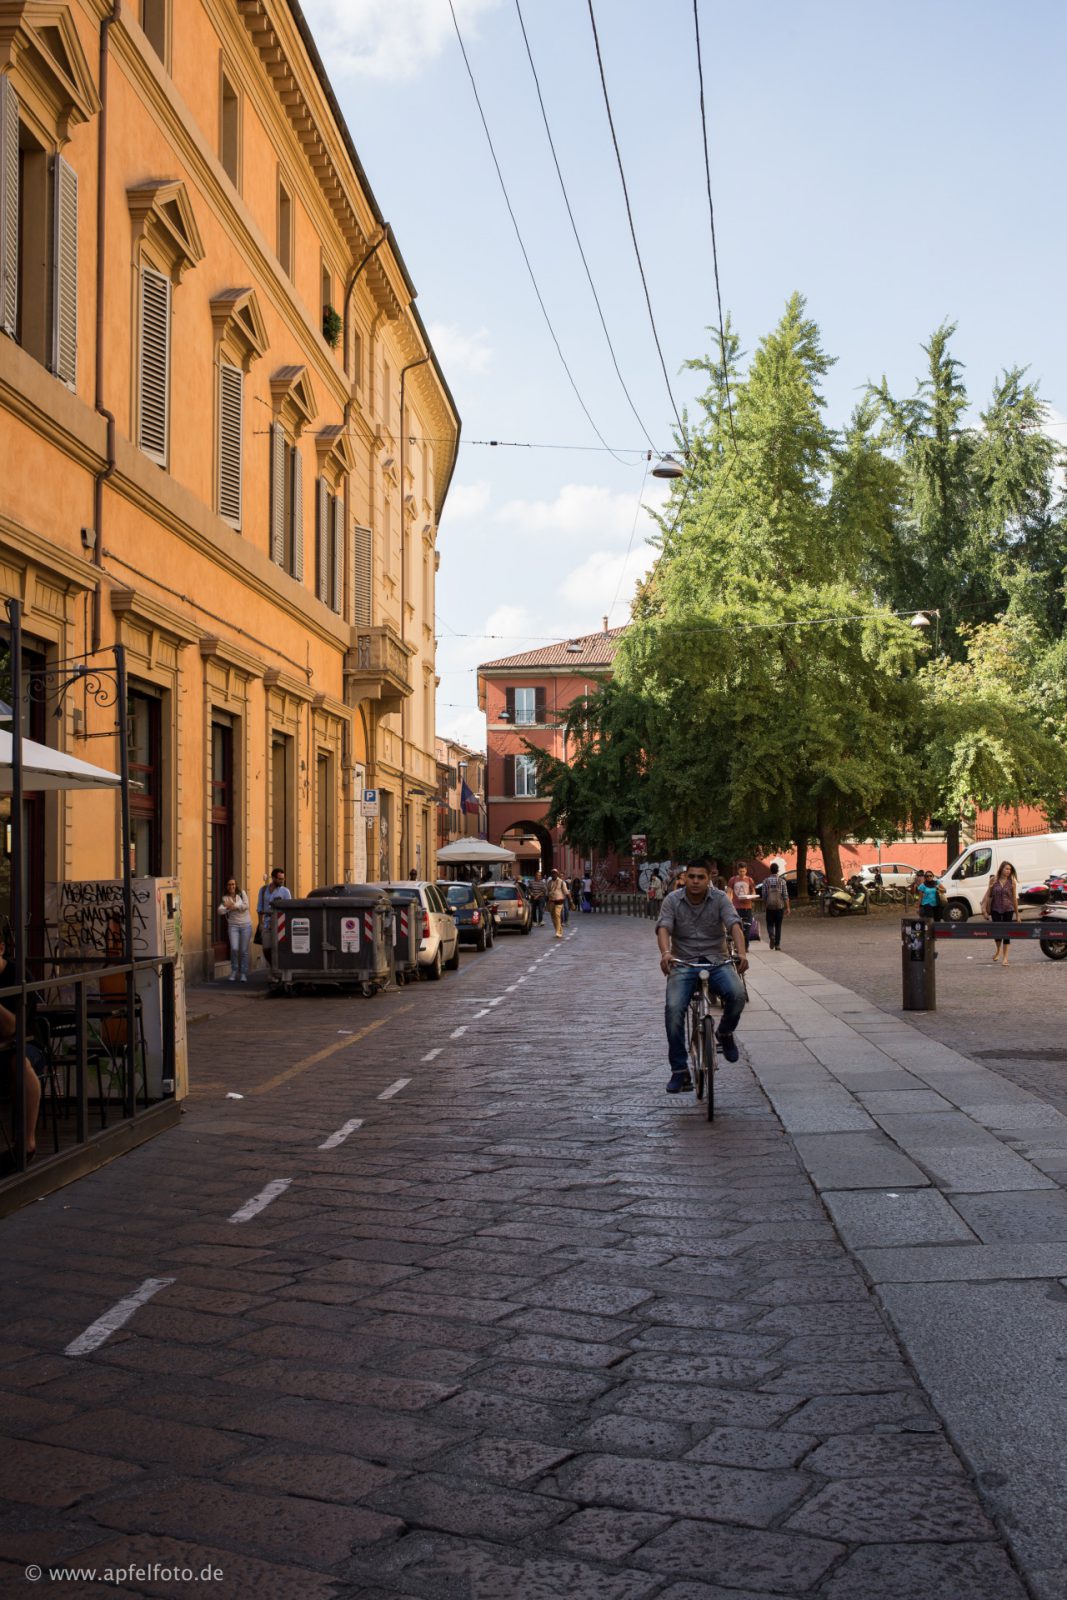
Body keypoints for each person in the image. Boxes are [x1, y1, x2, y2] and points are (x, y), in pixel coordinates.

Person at [656, 858, 749, 1093]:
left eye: (701, 877)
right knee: (674, 1009)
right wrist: (666, 953)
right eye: (692, 876)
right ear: (685, 877)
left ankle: (725, 1033)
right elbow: (664, 927)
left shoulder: (719, 898)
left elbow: (734, 924)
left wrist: (741, 953)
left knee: (737, 994)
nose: (695, 881)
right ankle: (679, 1071)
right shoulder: (672, 900)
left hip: (716, 960)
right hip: (683, 961)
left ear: (709, 879)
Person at [0, 922, 42, 1160]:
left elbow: (13, 1027)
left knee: (20, 1063)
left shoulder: (18, 975)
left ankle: (27, 1142)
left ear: (1, 948)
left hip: (26, 1044)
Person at [982, 861, 1019, 966]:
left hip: (1008, 909)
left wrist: (1017, 914)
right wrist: (984, 910)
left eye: (1010, 869)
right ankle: (998, 950)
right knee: (997, 933)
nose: (1008, 871)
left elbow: (1014, 899)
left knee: (1007, 933)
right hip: (995, 909)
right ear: (1001, 869)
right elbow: (988, 895)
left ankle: (1005, 958)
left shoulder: (1012, 882)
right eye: (1006, 869)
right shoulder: (993, 880)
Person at [218, 877, 253, 982]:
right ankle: (234, 970)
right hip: (233, 926)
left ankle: (243, 973)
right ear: (227, 886)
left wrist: (234, 906)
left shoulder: (241, 894)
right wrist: (228, 908)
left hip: (246, 925)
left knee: (243, 951)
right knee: (234, 948)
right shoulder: (225, 898)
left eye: (233, 884)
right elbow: (220, 911)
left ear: (236, 885)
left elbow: (246, 905)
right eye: (229, 884)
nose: (231, 886)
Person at [757, 863, 790, 950]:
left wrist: (765, 905)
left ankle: (771, 934)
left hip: (770, 907)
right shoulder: (782, 881)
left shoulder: (765, 881)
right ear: (778, 870)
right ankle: (777, 944)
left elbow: (764, 895)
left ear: (770, 870)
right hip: (779, 907)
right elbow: (785, 895)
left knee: (769, 924)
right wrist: (788, 907)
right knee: (778, 926)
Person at [256, 867, 291, 949]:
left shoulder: (285, 891)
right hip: (266, 924)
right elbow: (259, 908)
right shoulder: (263, 889)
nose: (282, 881)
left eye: (283, 879)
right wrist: (260, 923)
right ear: (273, 878)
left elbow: (289, 909)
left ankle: (276, 962)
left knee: (279, 948)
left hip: (280, 923)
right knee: (266, 948)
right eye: (280, 879)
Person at [728, 861, 756, 942]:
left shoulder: (750, 880)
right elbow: (729, 892)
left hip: (747, 907)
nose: (742, 873)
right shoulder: (733, 880)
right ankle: (738, 946)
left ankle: (746, 946)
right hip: (736, 907)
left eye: (743, 871)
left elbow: (753, 891)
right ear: (738, 870)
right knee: (737, 928)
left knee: (747, 928)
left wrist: (752, 896)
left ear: (746, 870)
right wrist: (729, 903)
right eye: (740, 871)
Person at [545, 869, 572, 938]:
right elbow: (547, 893)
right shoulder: (549, 882)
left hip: (559, 901)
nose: (553, 874)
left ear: (557, 874)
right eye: (552, 873)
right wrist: (546, 902)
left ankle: (558, 931)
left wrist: (571, 901)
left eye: (555, 873)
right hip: (551, 901)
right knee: (553, 917)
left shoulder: (562, 882)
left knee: (557, 915)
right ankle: (558, 929)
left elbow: (566, 892)